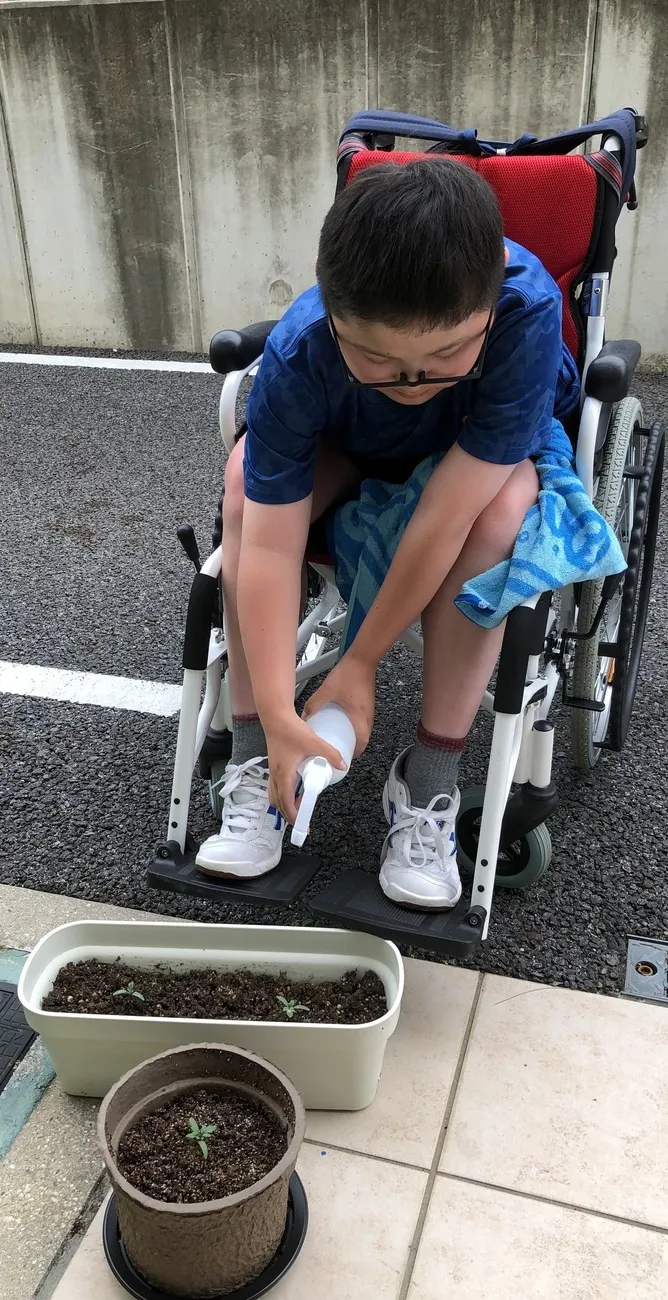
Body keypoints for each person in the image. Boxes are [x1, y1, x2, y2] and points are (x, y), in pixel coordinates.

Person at [195, 157, 579, 910]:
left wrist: (360, 661)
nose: (412, 381)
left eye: (446, 355)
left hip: (471, 460)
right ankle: (260, 757)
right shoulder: (302, 350)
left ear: (493, 291)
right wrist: (279, 709)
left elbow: (449, 511)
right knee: (245, 482)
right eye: (377, 356)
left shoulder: (524, 312)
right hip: (350, 442)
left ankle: (429, 779)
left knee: (503, 511)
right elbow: (269, 542)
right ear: (326, 297)